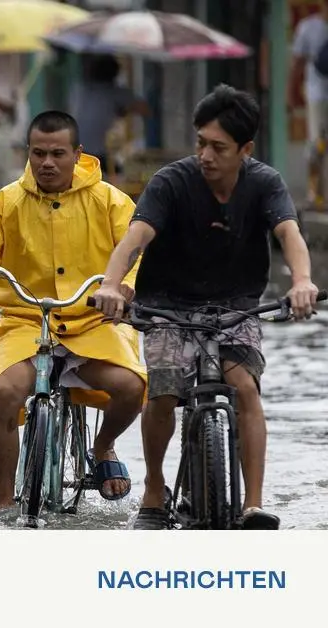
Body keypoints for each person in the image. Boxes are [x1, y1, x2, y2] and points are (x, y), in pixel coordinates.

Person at [91, 85, 320, 531]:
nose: (206, 155)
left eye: (218, 147)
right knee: (162, 390)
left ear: (245, 149)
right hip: (168, 305)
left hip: (236, 305)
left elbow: (290, 236)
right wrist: (112, 285)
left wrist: (303, 282)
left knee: (245, 388)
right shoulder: (170, 182)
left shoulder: (265, 183)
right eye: (200, 143)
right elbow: (134, 239)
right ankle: (155, 488)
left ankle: (252, 503)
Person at [0, 110, 146, 511]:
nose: (47, 163)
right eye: (39, 153)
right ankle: (4, 503)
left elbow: (140, 252)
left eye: (58, 153)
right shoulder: (6, 202)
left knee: (132, 387)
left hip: (93, 322)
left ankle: (103, 447)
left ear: (78, 154)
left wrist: (124, 289)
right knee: (3, 395)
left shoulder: (110, 200)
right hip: (27, 324)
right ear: (28, 152)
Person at [68, 55, 147, 178]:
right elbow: (145, 109)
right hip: (94, 152)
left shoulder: (79, 89)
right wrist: (124, 108)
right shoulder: (115, 92)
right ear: (115, 74)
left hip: (71, 146)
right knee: (121, 175)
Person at [290, 0, 328, 209]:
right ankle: (316, 194)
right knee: (317, 145)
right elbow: (297, 63)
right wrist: (291, 93)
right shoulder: (308, 27)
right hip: (317, 95)